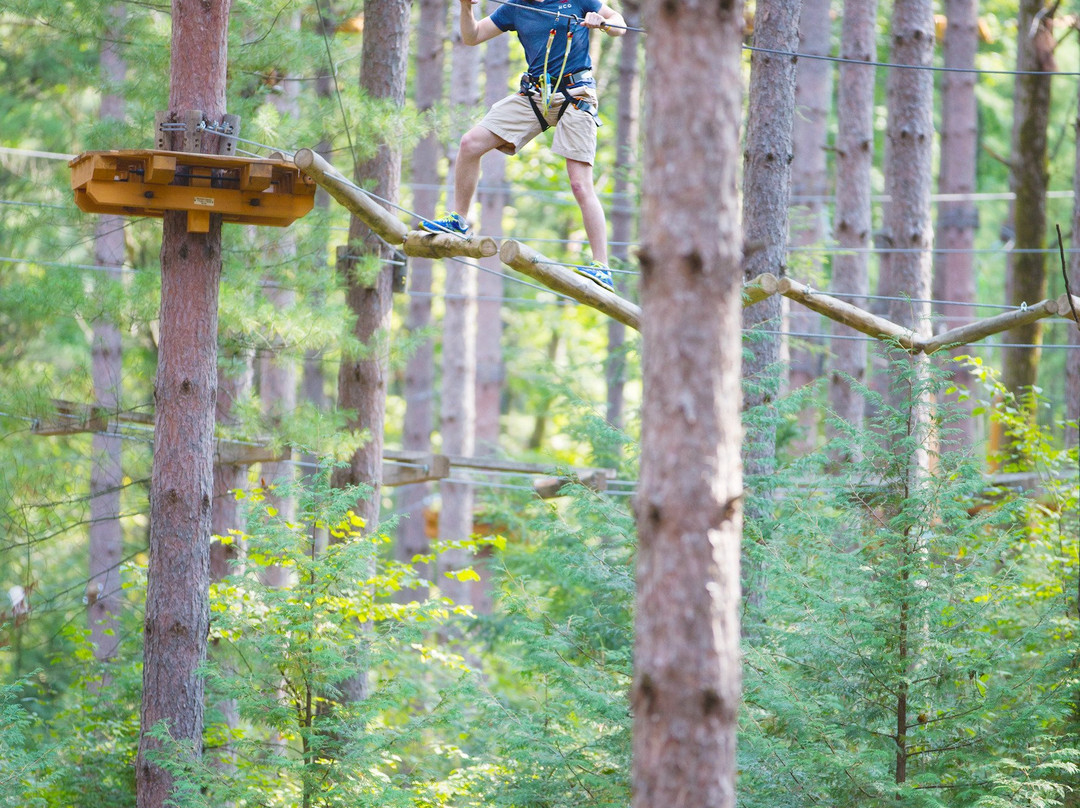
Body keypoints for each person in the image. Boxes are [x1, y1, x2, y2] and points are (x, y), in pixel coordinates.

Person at [422, 0, 626, 292]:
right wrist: (467, 8)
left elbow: (619, 24)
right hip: (535, 93)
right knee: (470, 144)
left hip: (576, 93)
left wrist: (602, 23)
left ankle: (601, 266)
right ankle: (459, 220)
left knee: (580, 184)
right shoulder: (515, 7)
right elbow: (473, 36)